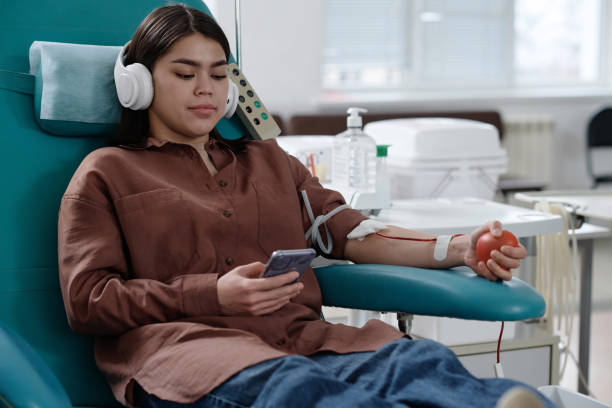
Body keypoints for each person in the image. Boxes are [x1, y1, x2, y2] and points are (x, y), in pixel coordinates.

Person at [57, 5, 554, 408]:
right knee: (300, 392)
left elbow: (351, 232)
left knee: (415, 363)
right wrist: (214, 295)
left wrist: (457, 247)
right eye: (185, 74)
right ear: (138, 84)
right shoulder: (107, 172)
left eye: (219, 74)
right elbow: (89, 301)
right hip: (190, 354)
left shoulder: (269, 160)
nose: (205, 88)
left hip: (303, 338)